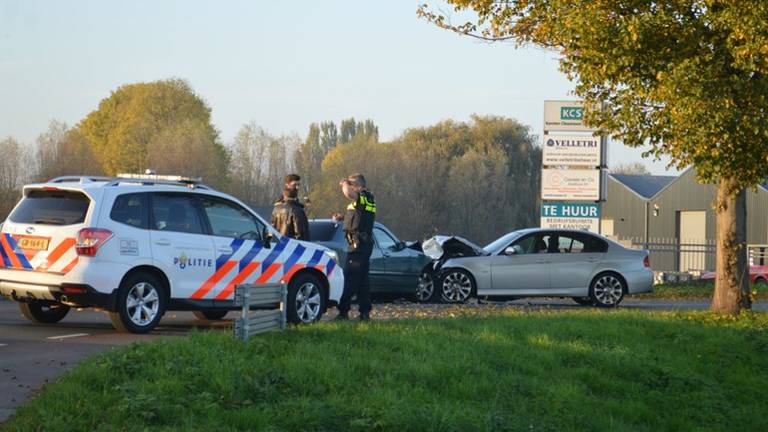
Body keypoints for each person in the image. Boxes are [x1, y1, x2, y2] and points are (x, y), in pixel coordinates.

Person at [335, 173, 376, 321]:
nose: (350, 188)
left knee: (350, 278)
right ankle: (365, 312)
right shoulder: (366, 200)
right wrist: (343, 218)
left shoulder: (364, 196)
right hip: (362, 244)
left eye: (352, 185)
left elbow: (348, 193)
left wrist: (344, 183)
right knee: (362, 281)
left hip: (358, 246)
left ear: (358, 186)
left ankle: (343, 312)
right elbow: (359, 218)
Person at [271, 174, 310, 241]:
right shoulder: (296, 210)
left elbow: (272, 230)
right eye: (295, 185)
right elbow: (301, 235)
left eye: (298, 185)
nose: (297, 187)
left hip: (279, 247)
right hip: (292, 247)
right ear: (287, 185)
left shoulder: (276, 208)